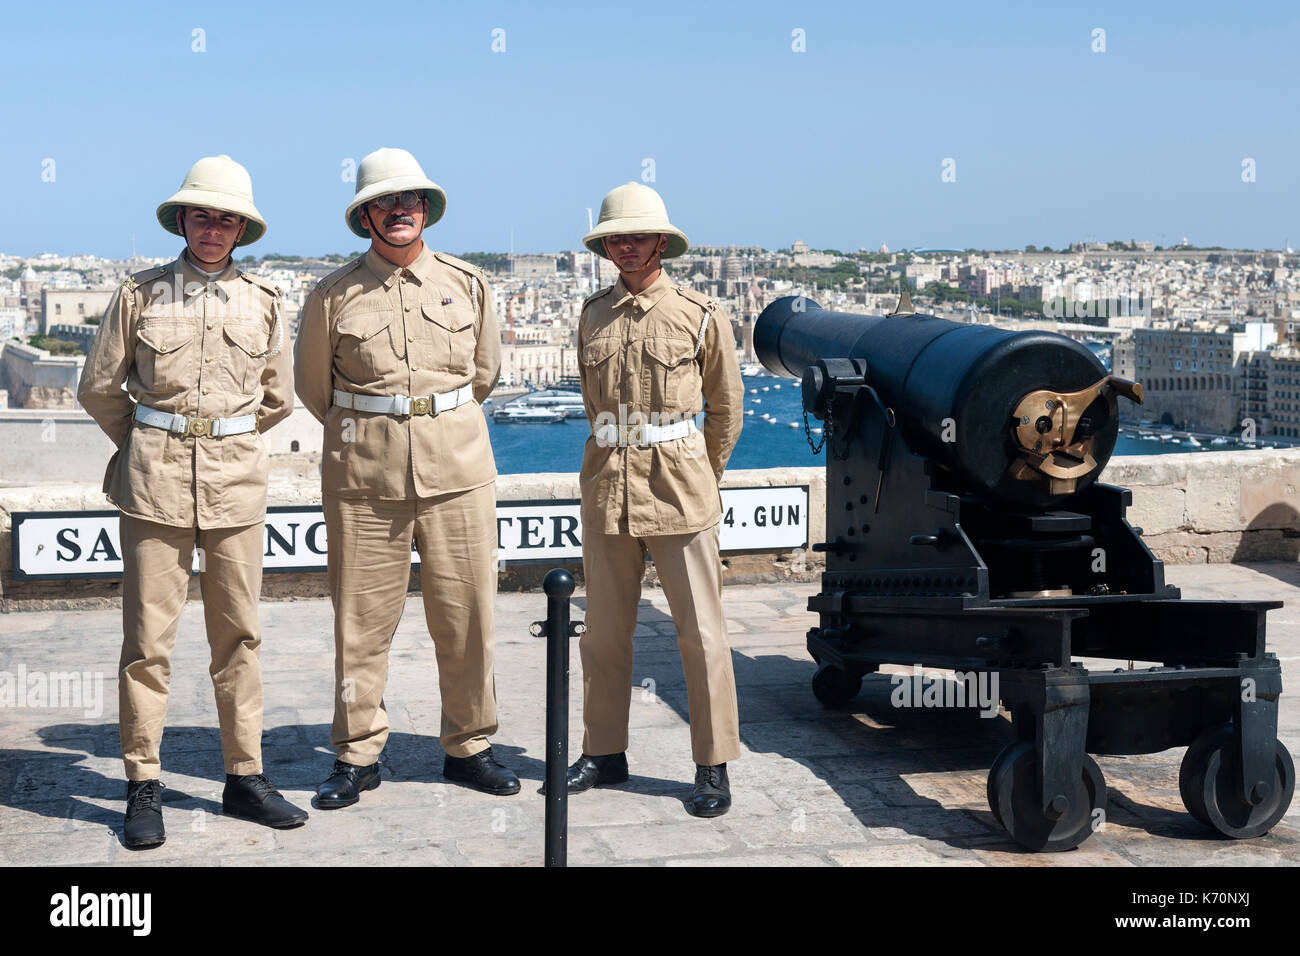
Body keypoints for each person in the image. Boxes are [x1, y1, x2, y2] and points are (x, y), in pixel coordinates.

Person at [77, 154, 307, 848]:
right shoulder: (140, 296)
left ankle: (245, 775)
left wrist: (220, 440)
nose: (214, 228)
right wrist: (154, 439)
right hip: (156, 486)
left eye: (227, 218)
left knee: (239, 638)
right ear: (182, 221)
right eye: (203, 215)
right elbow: (99, 387)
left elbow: (278, 399)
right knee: (147, 645)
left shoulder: (264, 301)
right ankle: (143, 782)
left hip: (235, 488)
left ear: (243, 228)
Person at [294, 147, 518, 807]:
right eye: (385, 202)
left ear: (426, 210)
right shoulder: (332, 295)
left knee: (468, 616)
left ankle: (469, 746)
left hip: (458, 474)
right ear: (365, 215)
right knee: (359, 623)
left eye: (409, 200)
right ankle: (358, 754)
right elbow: (315, 390)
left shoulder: (468, 283)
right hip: (365, 481)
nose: (399, 210)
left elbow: (484, 375)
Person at [567, 182, 744, 816]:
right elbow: (595, 405)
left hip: (678, 490)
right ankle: (605, 751)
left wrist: (702, 474)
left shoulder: (700, 314)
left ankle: (713, 762)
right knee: (605, 635)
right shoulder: (592, 314)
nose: (626, 245)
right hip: (608, 487)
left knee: (702, 635)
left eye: (637, 235)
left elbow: (725, 410)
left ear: (662, 242)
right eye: (615, 236)